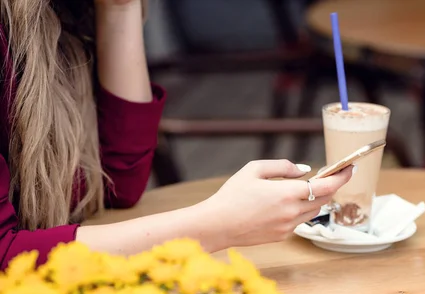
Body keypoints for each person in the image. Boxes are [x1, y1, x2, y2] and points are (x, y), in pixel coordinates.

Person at [0, 0, 352, 270]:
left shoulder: (67, 16)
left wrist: (121, 9)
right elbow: (5, 258)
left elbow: (117, 183)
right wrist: (218, 224)